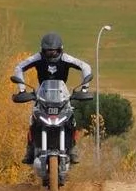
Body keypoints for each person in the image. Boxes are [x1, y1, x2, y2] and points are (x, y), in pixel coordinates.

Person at [12, 32, 93, 165]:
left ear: (60, 49)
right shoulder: (37, 58)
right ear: (42, 50)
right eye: (48, 51)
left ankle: (72, 148)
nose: (51, 54)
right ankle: (30, 150)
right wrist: (22, 90)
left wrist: (84, 89)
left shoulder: (66, 59)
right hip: (42, 95)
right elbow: (19, 67)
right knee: (32, 120)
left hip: (62, 96)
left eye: (54, 51)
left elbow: (85, 66)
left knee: (71, 119)